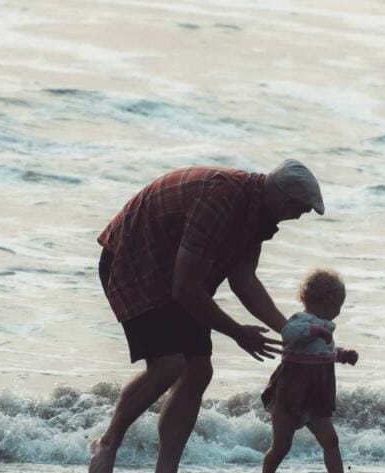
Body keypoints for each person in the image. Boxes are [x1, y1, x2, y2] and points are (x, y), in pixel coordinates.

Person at [89, 159, 326, 473]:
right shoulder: (221, 200)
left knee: (198, 370)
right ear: (283, 200)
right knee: (168, 366)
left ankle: (166, 468)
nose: (299, 216)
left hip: (179, 272)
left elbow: (244, 279)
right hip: (135, 258)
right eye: (301, 209)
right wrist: (238, 332)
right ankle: (108, 442)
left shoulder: (258, 213)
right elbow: (185, 289)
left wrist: (289, 330)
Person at [261, 268, 359, 473]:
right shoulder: (300, 320)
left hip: (316, 399)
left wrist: (342, 355)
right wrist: (315, 331)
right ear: (326, 303)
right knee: (281, 447)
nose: (339, 312)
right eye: (338, 306)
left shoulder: (325, 327)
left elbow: (324, 352)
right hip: (290, 396)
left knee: (331, 441)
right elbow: (288, 333)